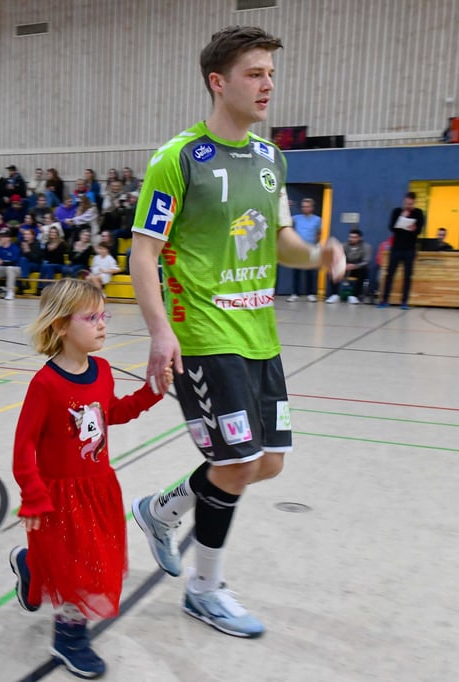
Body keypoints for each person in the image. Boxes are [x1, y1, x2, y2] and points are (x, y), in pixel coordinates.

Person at [128, 26, 344, 639]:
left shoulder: (272, 158)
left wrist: (319, 253)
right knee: (238, 462)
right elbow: (144, 252)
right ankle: (205, 591)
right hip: (204, 334)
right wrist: (160, 333)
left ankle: (159, 510)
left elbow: (282, 243)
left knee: (267, 463)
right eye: (254, 72)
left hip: (260, 334)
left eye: (271, 72)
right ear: (218, 82)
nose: (268, 83)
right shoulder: (179, 159)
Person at [9, 279, 170, 679]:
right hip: (58, 495)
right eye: (92, 317)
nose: (102, 324)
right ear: (62, 326)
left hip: (98, 488)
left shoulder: (101, 370)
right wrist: (33, 496)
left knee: (95, 562)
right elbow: (22, 446)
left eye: (104, 316)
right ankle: (69, 637)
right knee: (76, 570)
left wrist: (151, 392)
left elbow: (110, 413)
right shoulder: (44, 385)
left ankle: (31, 563)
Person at [378, 192, 425, 309]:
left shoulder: (418, 213)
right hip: (396, 248)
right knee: (390, 274)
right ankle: (384, 300)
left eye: (411, 204)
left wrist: (414, 228)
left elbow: (419, 231)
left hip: (410, 249)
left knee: (407, 275)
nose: (408, 205)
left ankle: (404, 301)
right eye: (406, 203)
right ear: (404, 201)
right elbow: (391, 228)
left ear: (414, 202)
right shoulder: (396, 211)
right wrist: (402, 218)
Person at [286, 198, 322, 301]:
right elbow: (284, 219)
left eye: (307, 206)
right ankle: (295, 294)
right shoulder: (297, 218)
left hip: (310, 249)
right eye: (303, 206)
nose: (304, 208)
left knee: (310, 272)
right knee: (296, 272)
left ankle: (311, 294)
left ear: (312, 207)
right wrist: (287, 207)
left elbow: (319, 233)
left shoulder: (317, 219)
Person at [326, 228, 372, 303]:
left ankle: (354, 296)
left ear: (359, 238)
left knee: (364, 271)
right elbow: (338, 257)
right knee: (332, 270)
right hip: (345, 267)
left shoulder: (366, 247)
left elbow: (366, 261)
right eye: (350, 237)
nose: (351, 239)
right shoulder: (344, 245)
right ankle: (335, 295)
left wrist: (355, 266)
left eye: (354, 237)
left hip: (358, 268)